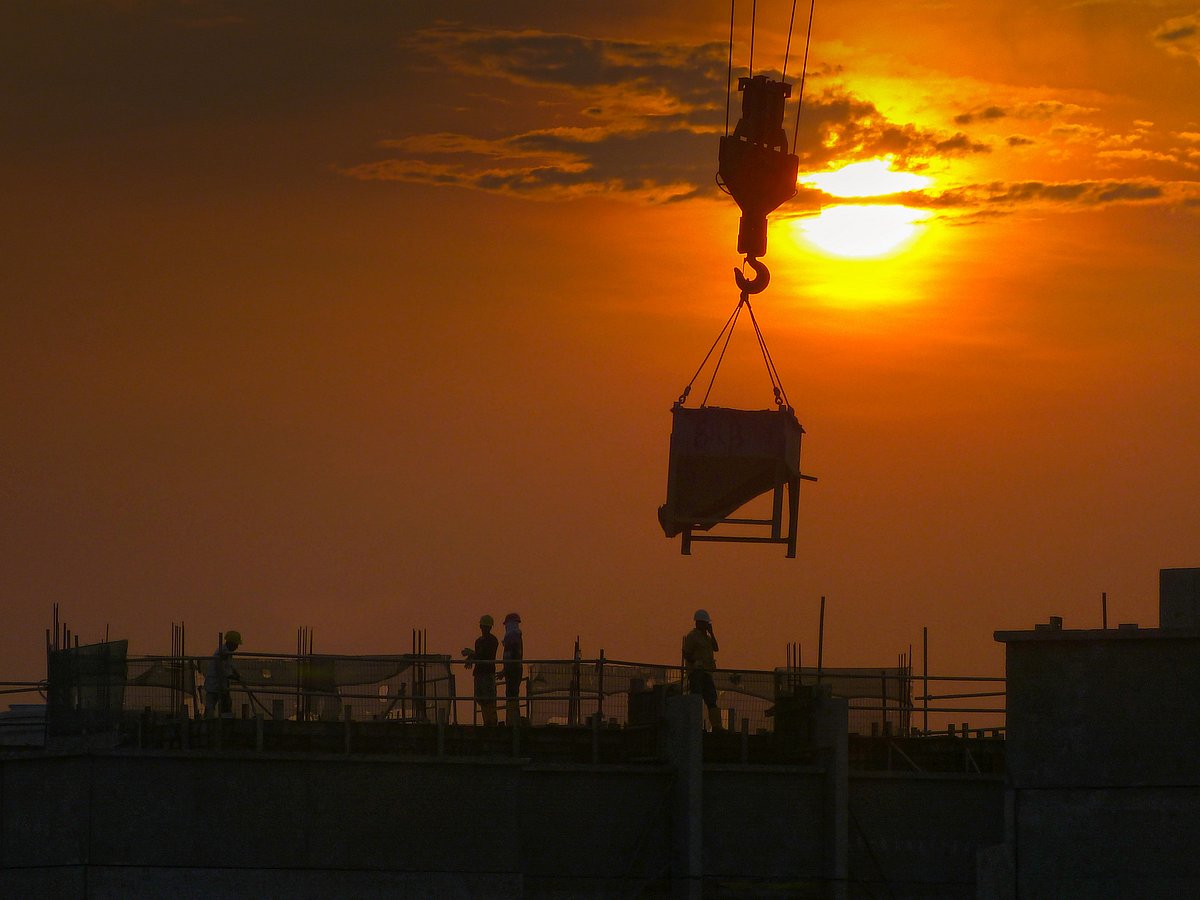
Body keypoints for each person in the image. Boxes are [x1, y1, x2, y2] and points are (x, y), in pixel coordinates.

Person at [682, 610, 723, 731]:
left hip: (706, 673)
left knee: (711, 699)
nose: (707, 625)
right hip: (696, 673)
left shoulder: (707, 638)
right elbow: (686, 653)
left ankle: (716, 726)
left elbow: (716, 648)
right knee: (696, 699)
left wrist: (712, 633)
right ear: (699, 623)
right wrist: (695, 662)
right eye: (705, 623)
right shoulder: (692, 637)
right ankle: (695, 726)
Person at [461, 614, 499, 726]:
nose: (484, 628)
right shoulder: (478, 641)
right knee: (481, 698)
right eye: (483, 626)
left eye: (485, 626)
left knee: (489, 698)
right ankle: (487, 721)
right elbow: (480, 655)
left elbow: (486, 655)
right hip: (479, 673)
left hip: (487, 672)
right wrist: (471, 658)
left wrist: (472, 654)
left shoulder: (492, 640)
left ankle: (492, 721)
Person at [205, 630, 242, 719]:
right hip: (215, 683)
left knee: (225, 703)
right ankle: (209, 722)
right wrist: (231, 676)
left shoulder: (227, 652)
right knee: (212, 705)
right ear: (230, 643)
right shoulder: (222, 652)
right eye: (236, 644)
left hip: (220, 684)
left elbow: (229, 666)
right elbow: (220, 669)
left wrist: (236, 674)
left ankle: (223, 721)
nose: (237, 647)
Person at [501, 612, 523, 725]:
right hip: (512, 669)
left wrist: (506, 670)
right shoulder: (512, 637)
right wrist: (504, 670)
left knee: (512, 694)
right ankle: (512, 719)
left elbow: (513, 656)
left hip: (514, 670)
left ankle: (513, 720)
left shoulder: (513, 637)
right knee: (511, 694)